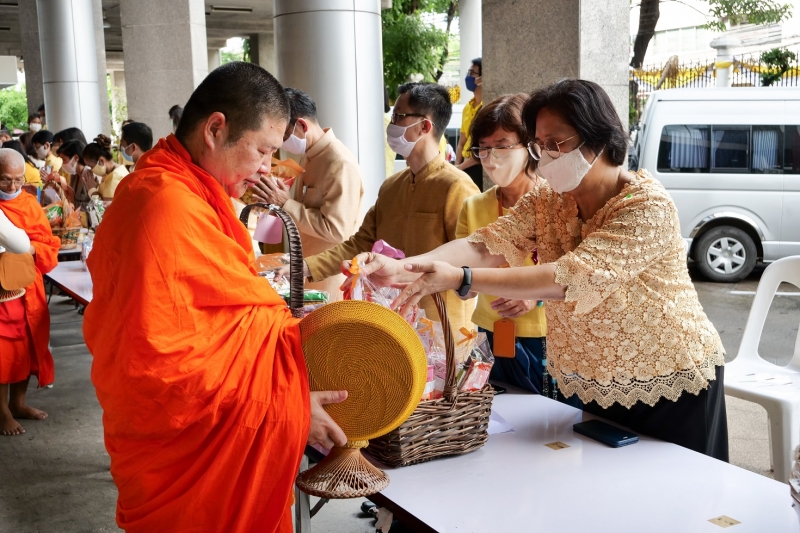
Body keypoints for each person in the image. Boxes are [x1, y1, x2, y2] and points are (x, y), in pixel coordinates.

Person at [353, 79, 728, 461]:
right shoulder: (550, 199)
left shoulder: (646, 206)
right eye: (540, 144)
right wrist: (403, 268)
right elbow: (485, 245)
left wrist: (463, 278)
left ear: (598, 137)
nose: (545, 155)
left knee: (680, 491)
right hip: (598, 377)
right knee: (608, 491)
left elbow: (568, 278)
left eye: (556, 143)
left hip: (671, 378)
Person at [83, 61, 347, 533]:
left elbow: (231, 318)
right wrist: (288, 401)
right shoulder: (166, 203)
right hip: (181, 439)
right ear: (216, 129)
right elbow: (169, 365)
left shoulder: (182, 189)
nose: (267, 168)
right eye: (263, 150)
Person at [298, 82, 480, 333]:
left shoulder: (457, 187)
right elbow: (359, 243)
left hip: (441, 326)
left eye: (398, 116)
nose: (391, 124)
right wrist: (304, 267)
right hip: (392, 319)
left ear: (424, 126)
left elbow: (472, 260)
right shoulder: (392, 186)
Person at [454, 93, 575, 401]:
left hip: (544, 336)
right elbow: (464, 283)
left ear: (529, 145)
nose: (490, 158)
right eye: (483, 148)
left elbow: (576, 275)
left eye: (502, 146)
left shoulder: (558, 202)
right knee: (492, 415)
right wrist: (461, 283)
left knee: (546, 419)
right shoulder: (473, 206)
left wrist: (535, 297)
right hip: (488, 334)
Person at [250, 88, 363, 300]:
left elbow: (337, 230)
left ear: (302, 125)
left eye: (284, 135)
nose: (280, 142)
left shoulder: (340, 163)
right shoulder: (309, 156)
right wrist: (274, 205)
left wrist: (286, 203)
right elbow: (300, 213)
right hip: (304, 269)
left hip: (331, 277)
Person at [0, 148, 60, 436]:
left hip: (26, 287)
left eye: (17, 180)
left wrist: (29, 247)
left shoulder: (29, 204)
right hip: (1, 292)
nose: (12, 186)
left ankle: (19, 403)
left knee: (27, 347)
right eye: (4, 180)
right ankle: (2, 412)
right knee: (3, 352)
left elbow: (49, 244)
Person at [455, 58, 484, 191]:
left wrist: (460, 168)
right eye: (468, 72)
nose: (468, 77)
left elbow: (482, 149)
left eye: (473, 73)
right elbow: (462, 142)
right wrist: (457, 165)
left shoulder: (486, 108)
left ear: (482, 78)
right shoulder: (467, 107)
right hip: (463, 166)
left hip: (477, 167)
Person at [83, 134, 129, 200]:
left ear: (101, 161)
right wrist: (97, 188)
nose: (91, 170)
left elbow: (103, 206)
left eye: (91, 166)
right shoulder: (110, 173)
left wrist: (92, 191)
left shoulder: (115, 177)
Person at [52, 140, 95, 209]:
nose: (62, 164)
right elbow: (72, 199)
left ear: (76, 158)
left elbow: (95, 205)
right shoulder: (74, 176)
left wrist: (73, 204)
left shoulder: (89, 176)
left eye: (64, 159)